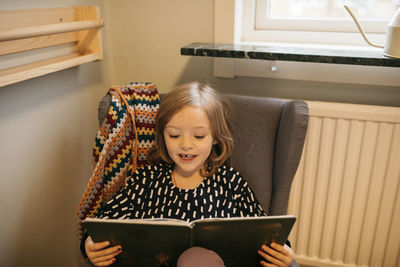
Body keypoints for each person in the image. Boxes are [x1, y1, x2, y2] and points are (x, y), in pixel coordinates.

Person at [82, 82, 295, 267]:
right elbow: (103, 224)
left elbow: (266, 231)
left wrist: (283, 250)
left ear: (215, 138)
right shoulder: (145, 179)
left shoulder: (231, 182)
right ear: (162, 136)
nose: (185, 145)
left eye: (199, 136)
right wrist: (90, 244)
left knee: (197, 259)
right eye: (174, 135)